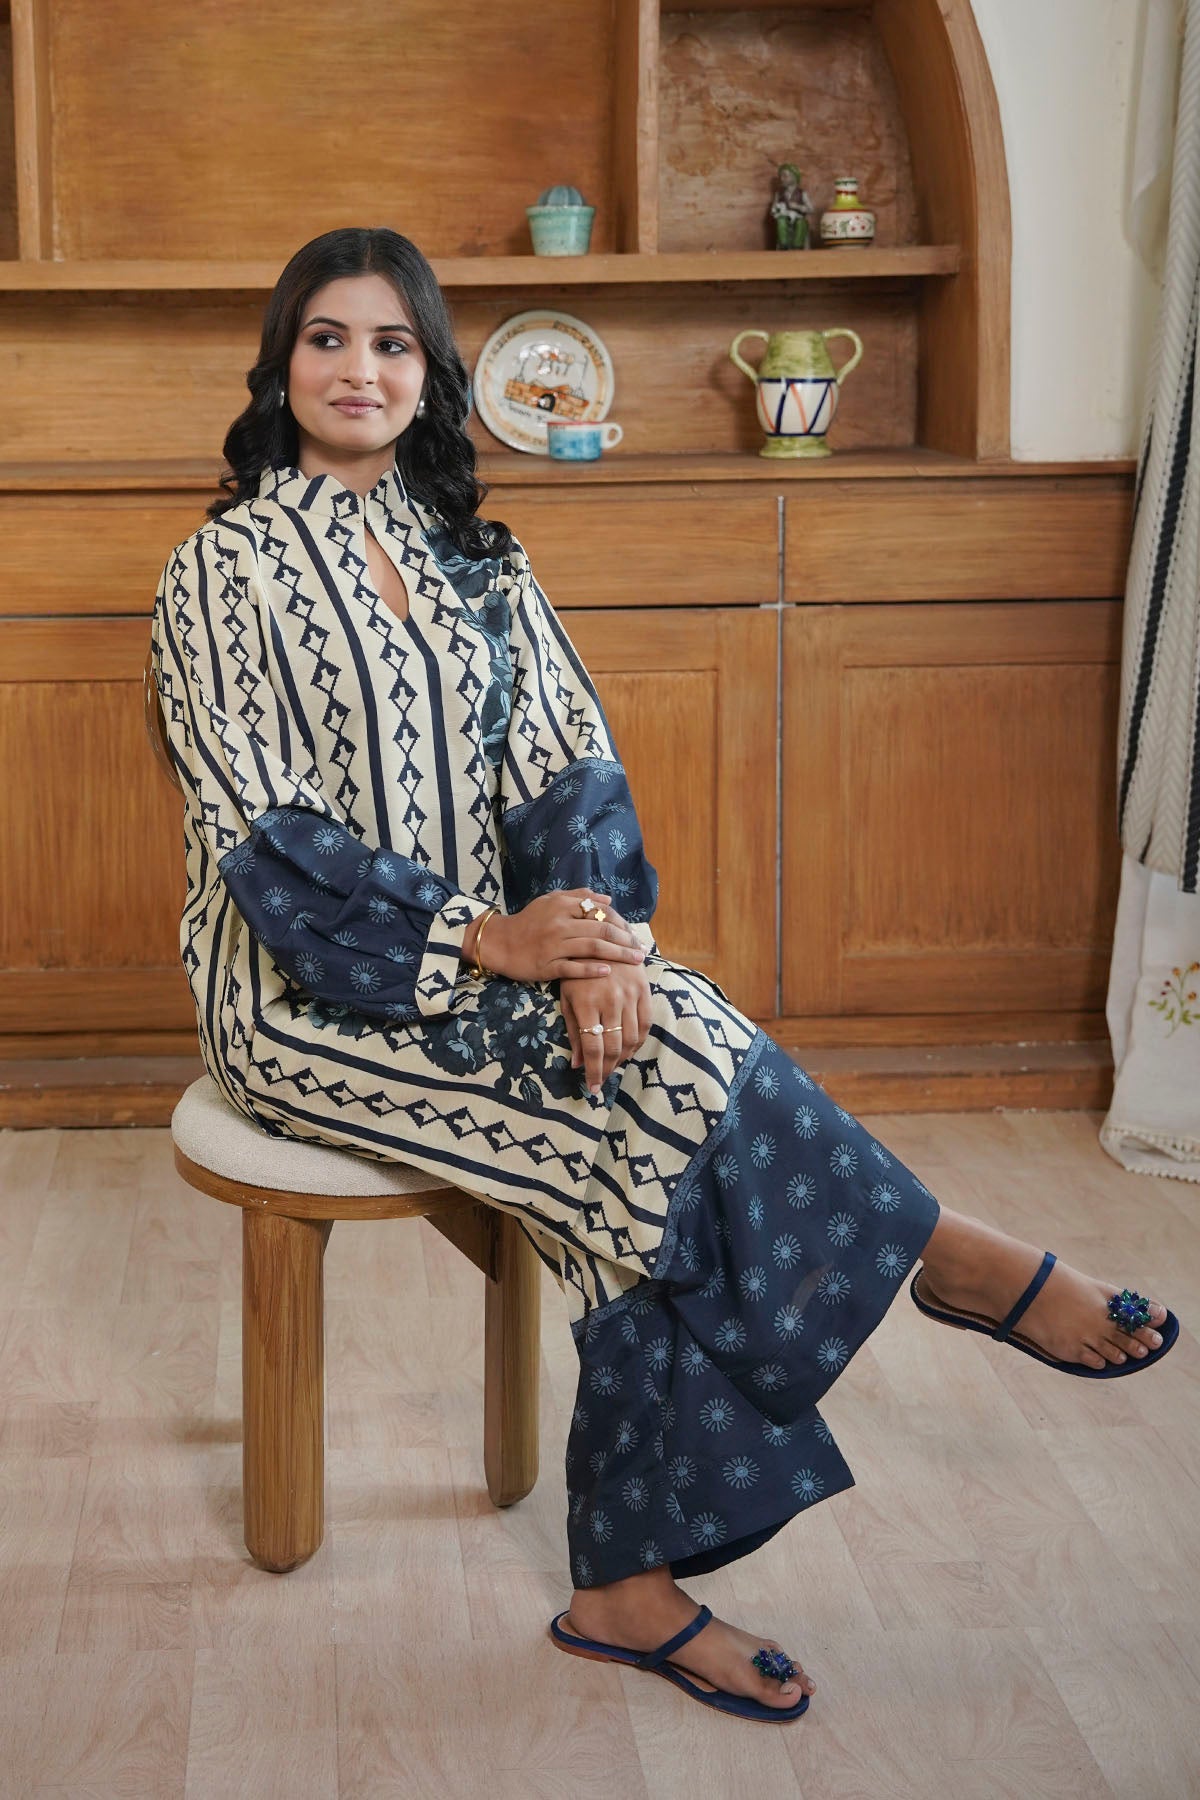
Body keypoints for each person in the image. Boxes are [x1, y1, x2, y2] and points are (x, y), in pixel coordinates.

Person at [150, 227, 1178, 1726]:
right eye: (327, 338)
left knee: (647, 1075)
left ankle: (624, 1590)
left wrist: (594, 940)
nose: (359, 368)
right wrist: (484, 941)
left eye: (391, 342)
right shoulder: (216, 569)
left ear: (432, 373)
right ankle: (939, 1253)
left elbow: (567, 762)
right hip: (304, 998)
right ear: (281, 364)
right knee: (665, 1087)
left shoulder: (479, 560)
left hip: (508, 962)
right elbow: (256, 827)